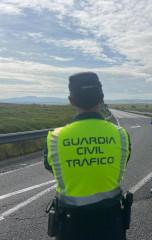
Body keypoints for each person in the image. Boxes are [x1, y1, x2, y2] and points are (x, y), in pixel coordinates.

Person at [44, 72, 131, 240]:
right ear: (102, 98)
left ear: (71, 101)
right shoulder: (121, 135)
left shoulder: (54, 137)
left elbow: (52, 167)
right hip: (111, 224)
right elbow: (123, 161)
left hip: (70, 226)